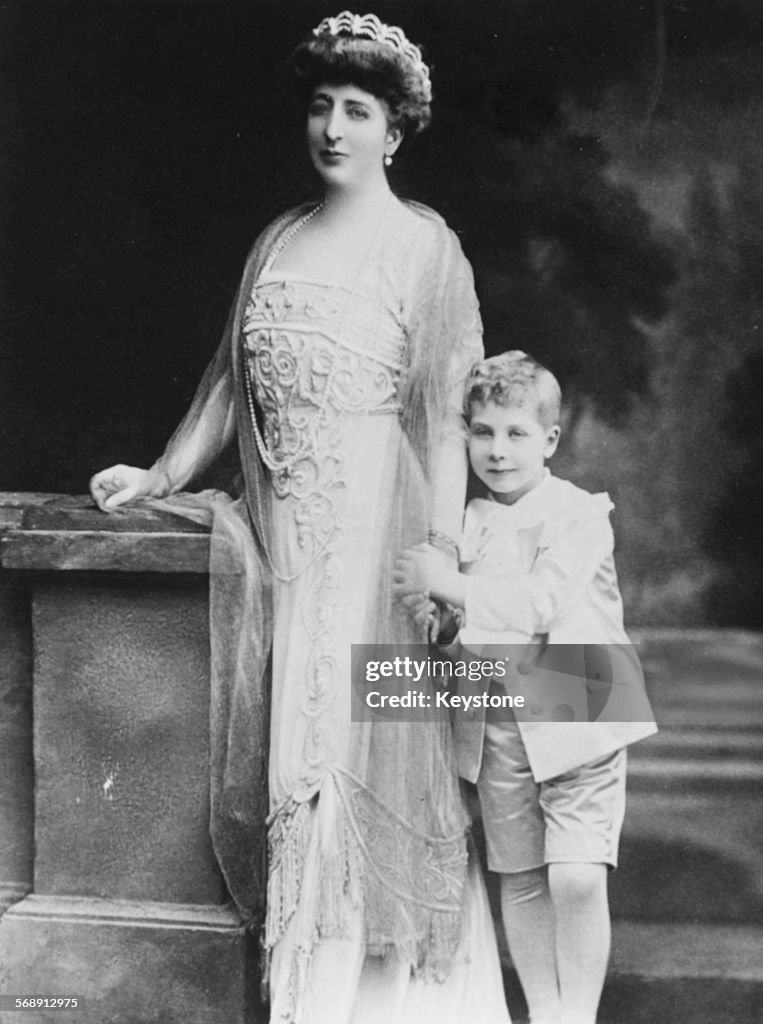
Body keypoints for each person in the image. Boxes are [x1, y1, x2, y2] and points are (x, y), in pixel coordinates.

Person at [90, 12, 510, 1024]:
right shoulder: (276, 239)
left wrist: (443, 555)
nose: (332, 127)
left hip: (382, 539)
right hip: (283, 542)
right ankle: (304, 1000)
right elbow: (226, 390)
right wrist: (160, 474)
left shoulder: (426, 248)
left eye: (356, 110)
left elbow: (450, 422)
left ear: (394, 131)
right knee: (293, 756)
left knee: (367, 752)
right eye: (320, 105)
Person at [394, 351, 657, 1024]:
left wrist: (447, 583)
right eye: (482, 432)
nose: (497, 450)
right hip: (498, 718)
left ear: (549, 440)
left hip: (581, 705)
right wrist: (442, 619)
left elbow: (540, 604)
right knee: (520, 876)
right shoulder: (463, 525)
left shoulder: (577, 514)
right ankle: (545, 1013)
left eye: (515, 433)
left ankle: (578, 1014)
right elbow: (459, 635)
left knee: (573, 875)